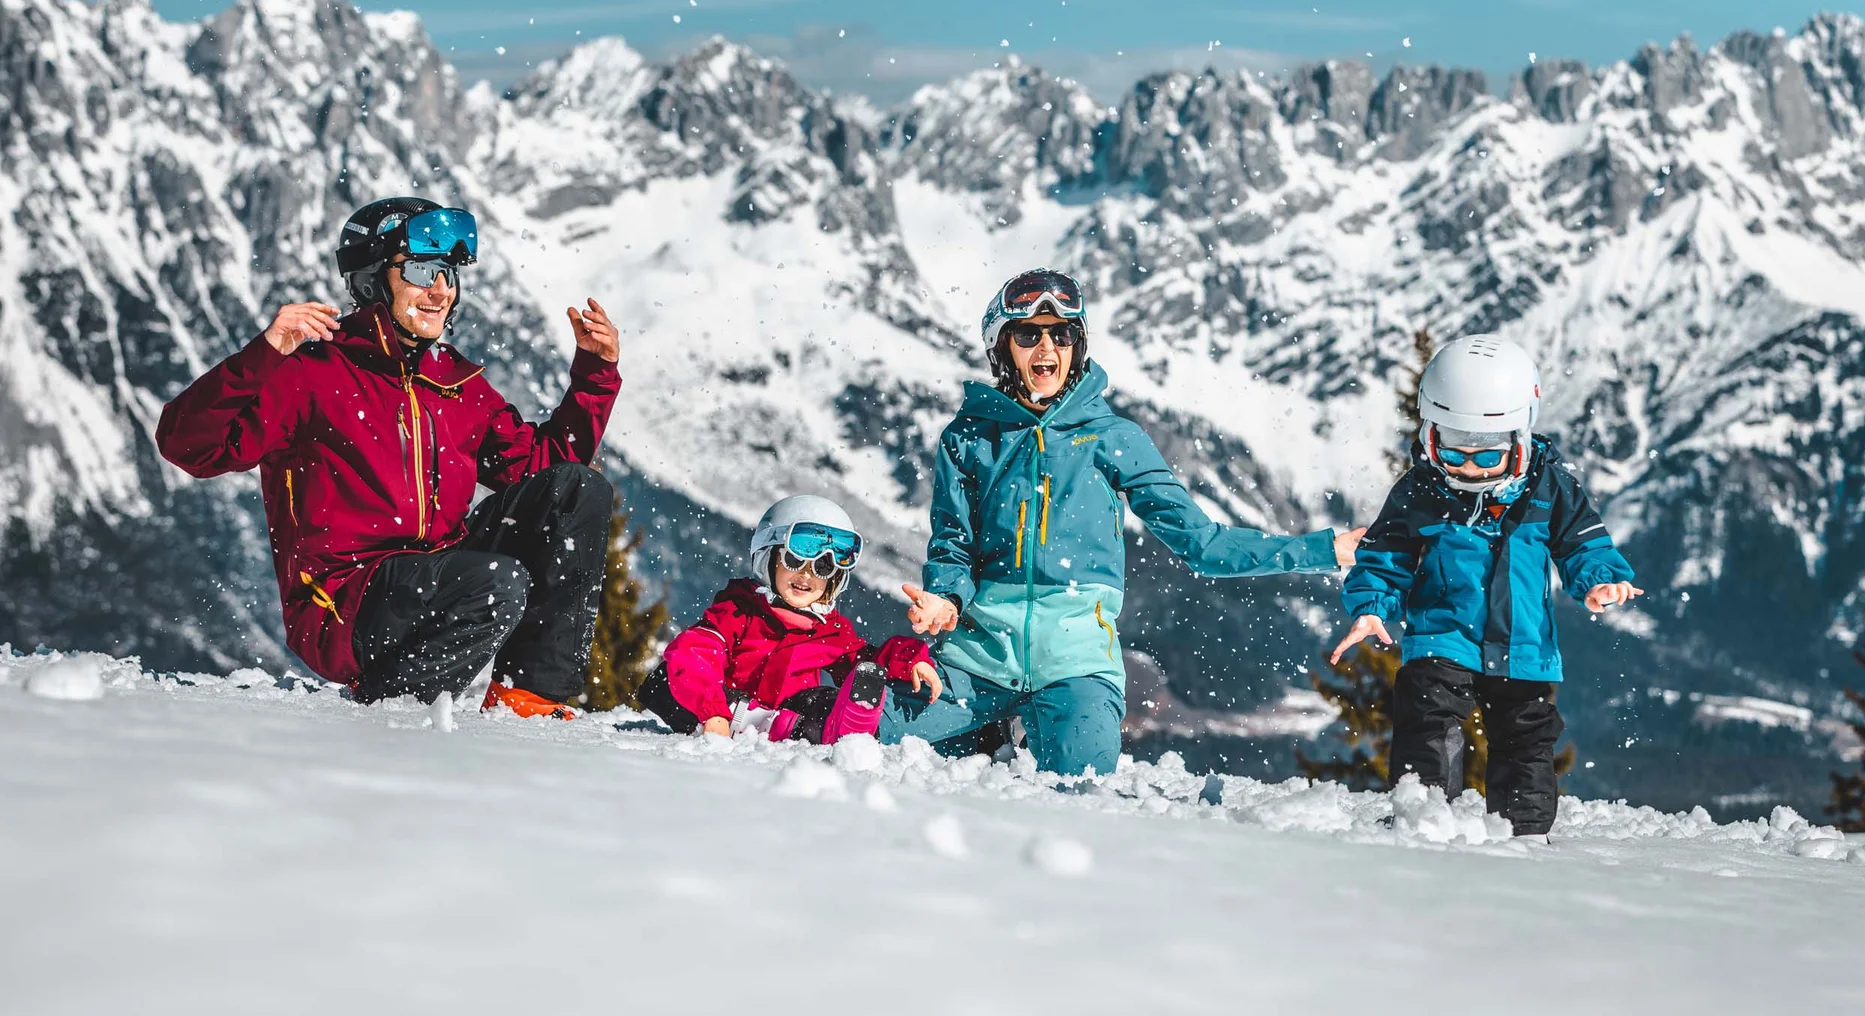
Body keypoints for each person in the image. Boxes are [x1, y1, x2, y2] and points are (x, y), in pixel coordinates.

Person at [156, 197, 623, 718]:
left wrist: (594, 375)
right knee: (495, 581)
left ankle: (529, 699)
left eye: (448, 273)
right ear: (374, 278)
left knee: (578, 489)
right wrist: (265, 353)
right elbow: (190, 446)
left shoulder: (457, 385)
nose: (441, 290)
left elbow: (544, 469)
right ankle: (391, 704)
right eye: (422, 270)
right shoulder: (312, 375)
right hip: (347, 599)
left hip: (440, 574)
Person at [889, 268, 1366, 776]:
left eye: (1062, 333)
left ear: (1078, 344)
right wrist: (946, 597)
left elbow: (1202, 544)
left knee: (1080, 786)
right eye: (1029, 334)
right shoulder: (967, 439)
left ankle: (1029, 729)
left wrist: (1324, 550)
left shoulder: (1111, 437)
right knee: (872, 744)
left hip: (1075, 669)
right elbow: (953, 547)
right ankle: (997, 732)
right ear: (1002, 346)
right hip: (975, 662)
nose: (1047, 346)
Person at [1332, 334, 1642, 839]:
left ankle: (1523, 837)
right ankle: (1424, 820)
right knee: (1430, 722)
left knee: (1527, 742)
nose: (1468, 470)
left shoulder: (1550, 487)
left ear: (1520, 440)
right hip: (1441, 637)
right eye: (1451, 455)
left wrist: (1600, 579)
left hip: (1523, 646)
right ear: (1431, 437)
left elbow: (1584, 543)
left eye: (1486, 457)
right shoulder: (1421, 491)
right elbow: (1383, 556)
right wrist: (1371, 606)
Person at [637, 495, 940, 744]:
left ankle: (849, 725)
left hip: (791, 719)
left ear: (834, 579)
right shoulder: (738, 610)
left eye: (822, 567)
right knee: (668, 678)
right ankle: (764, 723)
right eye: (794, 560)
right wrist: (713, 710)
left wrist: (910, 658)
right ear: (768, 558)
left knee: (824, 699)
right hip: (725, 710)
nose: (806, 575)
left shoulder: (829, 630)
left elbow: (866, 660)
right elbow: (697, 649)